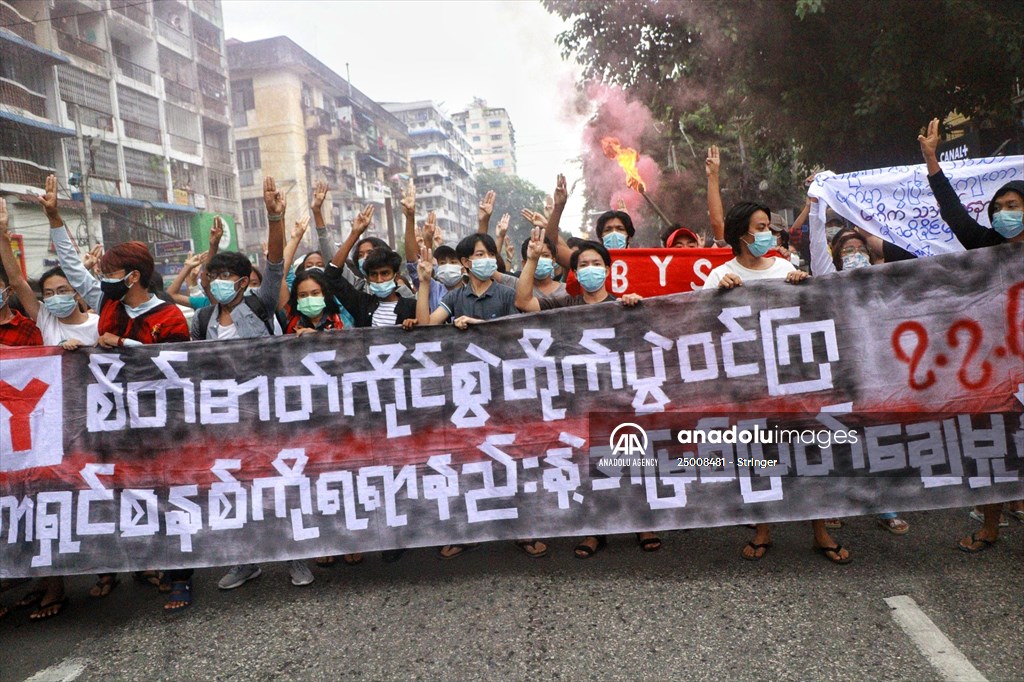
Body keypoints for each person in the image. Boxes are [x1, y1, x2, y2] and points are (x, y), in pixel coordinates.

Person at [37, 174, 195, 609]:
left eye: (109, 273)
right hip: (114, 419)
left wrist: (123, 344)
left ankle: (181, 573)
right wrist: (53, 217)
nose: (100, 279)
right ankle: (146, 560)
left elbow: (176, 367)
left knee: (169, 493)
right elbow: (71, 267)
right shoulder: (108, 303)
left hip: (160, 422)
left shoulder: (172, 317)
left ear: (134, 276)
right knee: (128, 493)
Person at [514, 232, 662, 558]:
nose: (590, 269)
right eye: (583, 265)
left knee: (631, 459)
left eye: (597, 264)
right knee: (587, 466)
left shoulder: (624, 304)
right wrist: (532, 259)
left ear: (608, 271)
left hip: (619, 398)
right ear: (575, 273)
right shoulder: (565, 305)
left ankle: (642, 523)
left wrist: (637, 313)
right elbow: (524, 301)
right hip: (578, 399)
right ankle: (596, 530)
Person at [917, 117, 1024, 551]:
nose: (1004, 213)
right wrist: (931, 161)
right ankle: (990, 526)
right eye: (999, 208)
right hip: (998, 367)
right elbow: (954, 214)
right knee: (997, 446)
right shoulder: (985, 247)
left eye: (1014, 205)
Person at [702, 202, 810, 290]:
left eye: (768, 227)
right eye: (761, 228)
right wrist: (718, 294)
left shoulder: (784, 267)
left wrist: (803, 283)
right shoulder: (719, 276)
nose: (768, 232)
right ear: (740, 232)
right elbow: (705, 313)